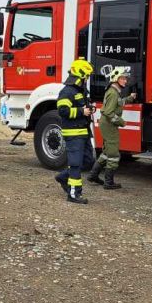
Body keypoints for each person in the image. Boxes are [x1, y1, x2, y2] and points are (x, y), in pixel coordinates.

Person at [54, 59, 96, 204]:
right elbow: (63, 111)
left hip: (83, 132)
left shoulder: (80, 90)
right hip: (73, 133)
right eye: (86, 76)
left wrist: (89, 109)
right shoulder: (67, 91)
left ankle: (63, 177)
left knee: (88, 161)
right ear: (80, 74)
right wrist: (81, 111)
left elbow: (83, 107)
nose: (87, 79)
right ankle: (73, 194)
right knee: (76, 164)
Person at [88, 66, 135, 189]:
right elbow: (108, 112)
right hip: (109, 125)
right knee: (114, 154)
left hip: (106, 124)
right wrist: (121, 121)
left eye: (125, 78)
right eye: (123, 78)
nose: (125, 81)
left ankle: (93, 175)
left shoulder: (114, 91)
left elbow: (118, 104)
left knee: (106, 152)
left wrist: (129, 98)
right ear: (116, 79)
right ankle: (109, 182)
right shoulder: (113, 93)